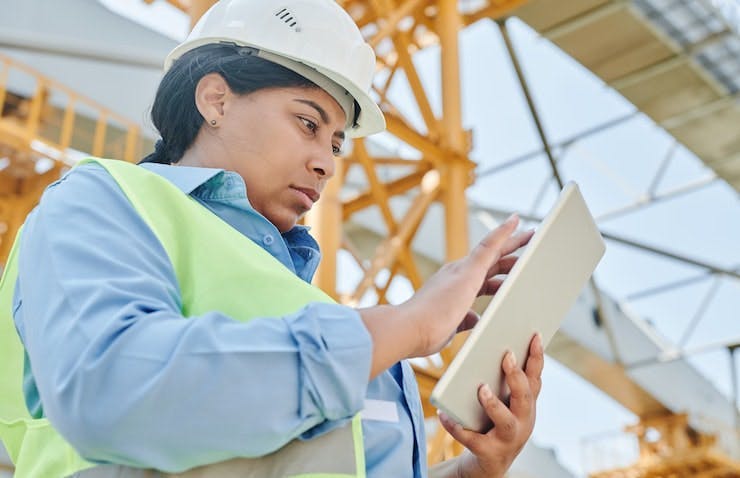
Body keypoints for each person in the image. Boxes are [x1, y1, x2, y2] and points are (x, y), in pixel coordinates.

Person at [0, 0, 544, 477]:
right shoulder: (103, 201)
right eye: (309, 124)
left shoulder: (312, 304)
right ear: (215, 101)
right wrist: (407, 325)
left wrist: (473, 472)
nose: (325, 163)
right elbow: (112, 389)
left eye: (336, 144)